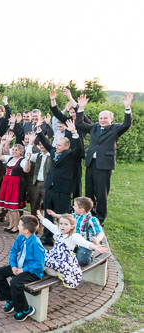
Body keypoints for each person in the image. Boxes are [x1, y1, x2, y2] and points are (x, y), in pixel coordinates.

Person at [75, 93, 133, 226]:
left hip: (104, 165)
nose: (102, 120)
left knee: (101, 193)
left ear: (111, 119)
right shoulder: (94, 127)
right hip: (91, 163)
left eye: (105, 118)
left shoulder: (115, 129)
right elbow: (79, 123)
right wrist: (81, 109)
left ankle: (100, 217)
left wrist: (127, 108)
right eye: (101, 118)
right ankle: (89, 214)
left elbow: (127, 124)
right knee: (89, 192)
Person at [35, 117, 84, 245]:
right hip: (50, 188)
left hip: (63, 189)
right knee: (48, 213)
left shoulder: (72, 155)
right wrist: (39, 129)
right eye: (56, 145)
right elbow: (45, 142)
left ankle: (64, 238)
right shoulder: (53, 152)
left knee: (61, 214)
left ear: (67, 147)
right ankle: (47, 236)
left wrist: (74, 133)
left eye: (59, 145)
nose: (56, 147)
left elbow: (80, 149)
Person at [0, 215, 45, 322]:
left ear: (26, 230)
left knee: (16, 283)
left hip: (33, 272)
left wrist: (23, 270)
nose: (17, 226)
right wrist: (13, 266)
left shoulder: (36, 243)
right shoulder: (20, 237)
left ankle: (25, 310)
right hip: (19, 267)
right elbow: (13, 251)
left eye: (19, 225)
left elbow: (39, 264)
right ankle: (10, 299)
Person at [37, 211, 108, 288]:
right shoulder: (58, 231)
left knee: (50, 269)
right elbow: (50, 225)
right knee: (40, 255)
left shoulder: (74, 236)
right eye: (61, 224)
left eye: (66, 224)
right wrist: (41, 218)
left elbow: (84, 242)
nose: (62, 226)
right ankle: (45, 270)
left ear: (72, 226)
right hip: (54, 255)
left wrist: (95, 247)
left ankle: (61, 274)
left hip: (64, 259)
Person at [48, 197, 105, 266]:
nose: (73, 207)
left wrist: (97, 239)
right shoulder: (73, 215)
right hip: (72, 241)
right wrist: (54, 215)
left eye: (75, 206)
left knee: (81, 260)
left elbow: (100, 232)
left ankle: (88, 258)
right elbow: (63, 217)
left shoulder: (92, 220)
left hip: (84, 244)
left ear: (81, 210)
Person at [0, 134, 31, 233]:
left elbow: (26, 170)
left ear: (21, 151)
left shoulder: (23, 160)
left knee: (14, 208)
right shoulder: (10, 158)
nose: (14, 151)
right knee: (8, 206)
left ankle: (16, 226)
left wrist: (28, 160)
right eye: (13, 149)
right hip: (7, 183)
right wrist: (2, 144)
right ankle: (11, 224)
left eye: (17, 150)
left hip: (16, 184)